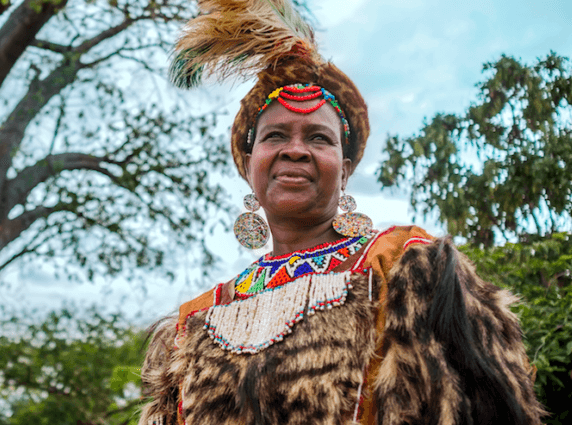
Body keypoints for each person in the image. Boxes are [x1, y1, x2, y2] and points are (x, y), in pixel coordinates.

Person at [138, 1, 544, 424]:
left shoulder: (404, 268)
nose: (295, 150)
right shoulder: (198, 318)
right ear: (250, 165)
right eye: (276, 135)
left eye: (318, 138)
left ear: (345, 170)